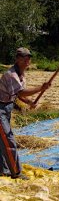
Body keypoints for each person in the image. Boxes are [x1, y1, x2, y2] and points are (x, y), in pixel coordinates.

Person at [0, 47, 51, 180]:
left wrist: (29, 102)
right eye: (23, 57)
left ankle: (3, 169)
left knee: (3, 140)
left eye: (28, 57)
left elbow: (18, 95)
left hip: (6, 108)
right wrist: (41, 87)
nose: (27, 59)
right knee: (8, 140)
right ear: (17, 59)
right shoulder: (11, 75)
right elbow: (21, 92)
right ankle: (16, 173)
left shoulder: (21, 74)